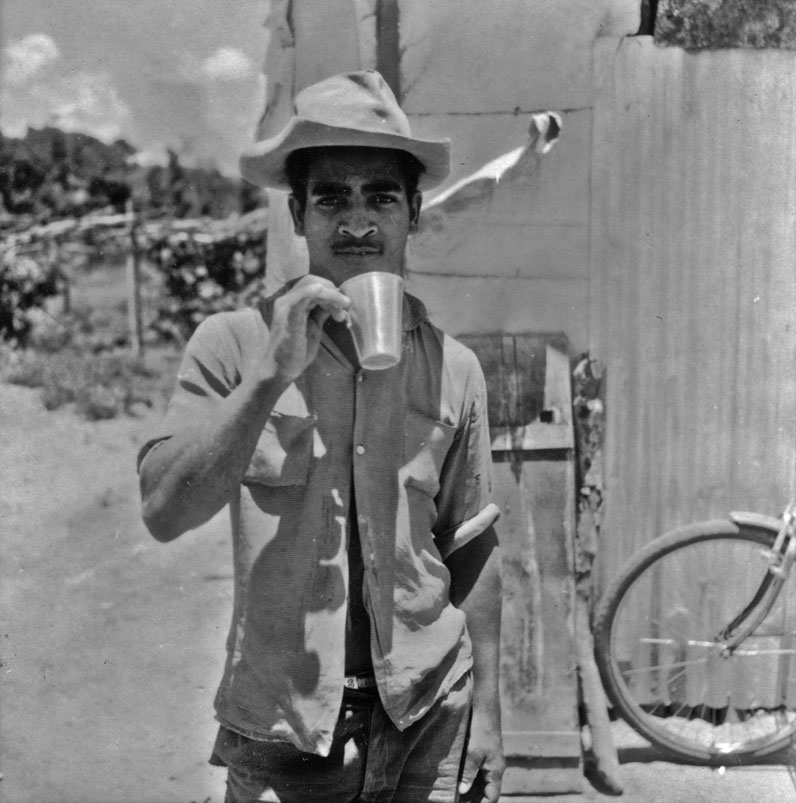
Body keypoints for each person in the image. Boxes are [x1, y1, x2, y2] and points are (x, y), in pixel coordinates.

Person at [138, 70, 504, 803]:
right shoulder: (234, 344)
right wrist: (270, 375)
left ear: (413, 213)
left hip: (430, 714)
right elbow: (164, 510)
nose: (358, 222)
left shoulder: (455, 367)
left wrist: (489, 713)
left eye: (382, 197)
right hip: (287, 727)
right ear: (298, 215)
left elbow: (472, 546)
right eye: (332, 197)